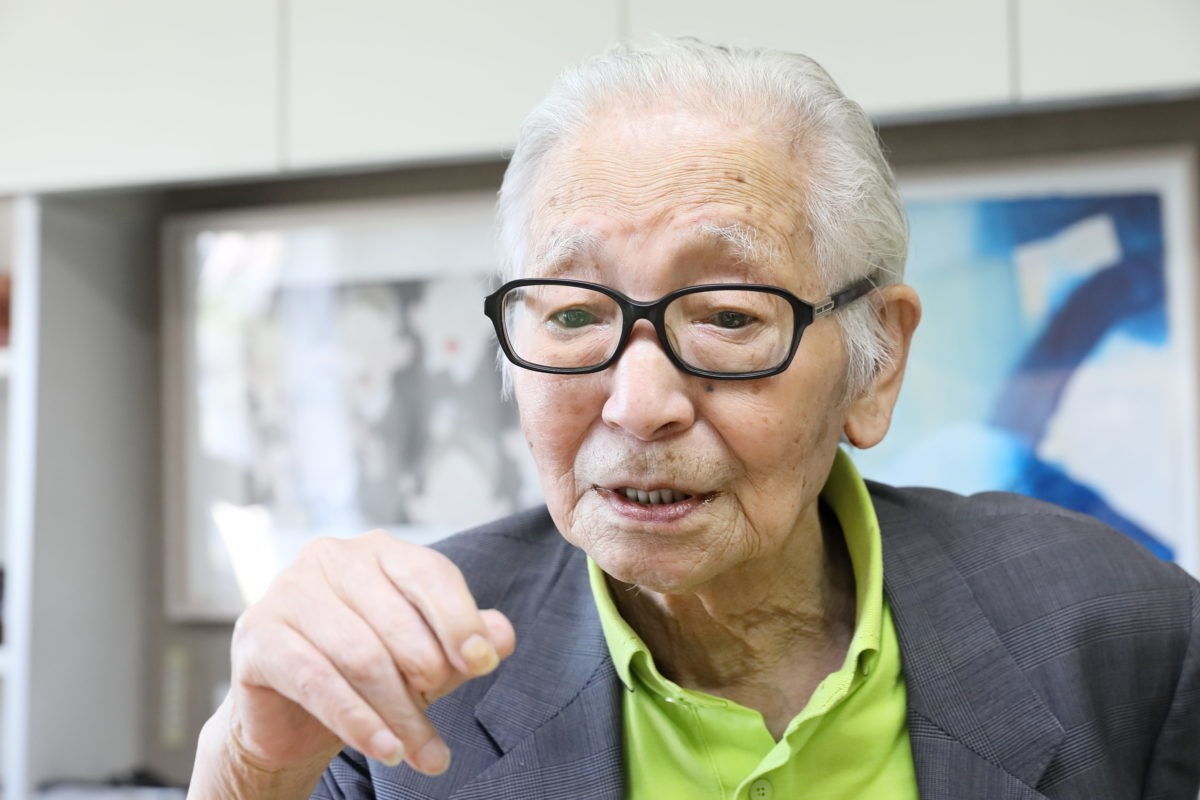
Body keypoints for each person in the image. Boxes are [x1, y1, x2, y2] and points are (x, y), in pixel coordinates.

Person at [189, 39, 1200, 799]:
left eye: (726, 317)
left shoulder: (1124, 637)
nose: (638, 405)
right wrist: (250, 769)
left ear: (876, 365)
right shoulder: (395, 695)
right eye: (574, 314)